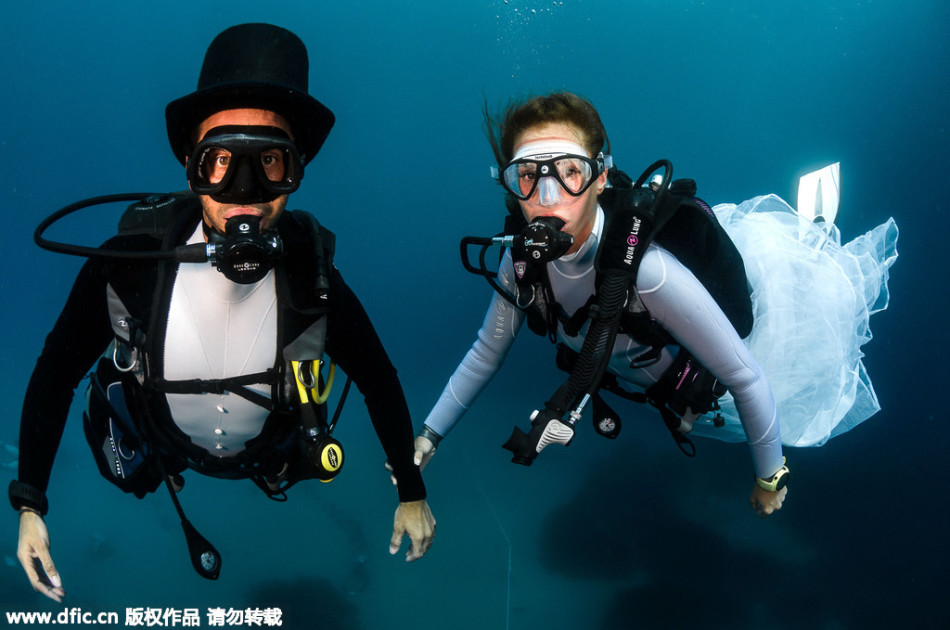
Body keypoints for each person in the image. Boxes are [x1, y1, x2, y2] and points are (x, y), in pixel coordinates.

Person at [9, 23, 435, 602]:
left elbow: (377, 377)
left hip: (267, 454)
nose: (245, 192)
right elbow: (56, 370)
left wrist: (411, 492)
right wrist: (30, 503)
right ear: (190, 163)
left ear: (298, 170)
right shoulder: (130, 266)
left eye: (272, 162)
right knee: (117, 435)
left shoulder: (313, 281)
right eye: (220, 161)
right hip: (161, 443)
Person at [408, 92, 896, 521]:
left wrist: (770, 479)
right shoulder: (519, 265)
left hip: (717, 376)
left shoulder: (650, 273)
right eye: (528, 176)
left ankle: (812, 243)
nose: (549, 197)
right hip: (647, 373)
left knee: (796, 328)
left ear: (600, 178)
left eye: (570, 172)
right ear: (510, 186)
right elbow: (485, 353)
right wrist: (428, 435)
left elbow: (748, 379)